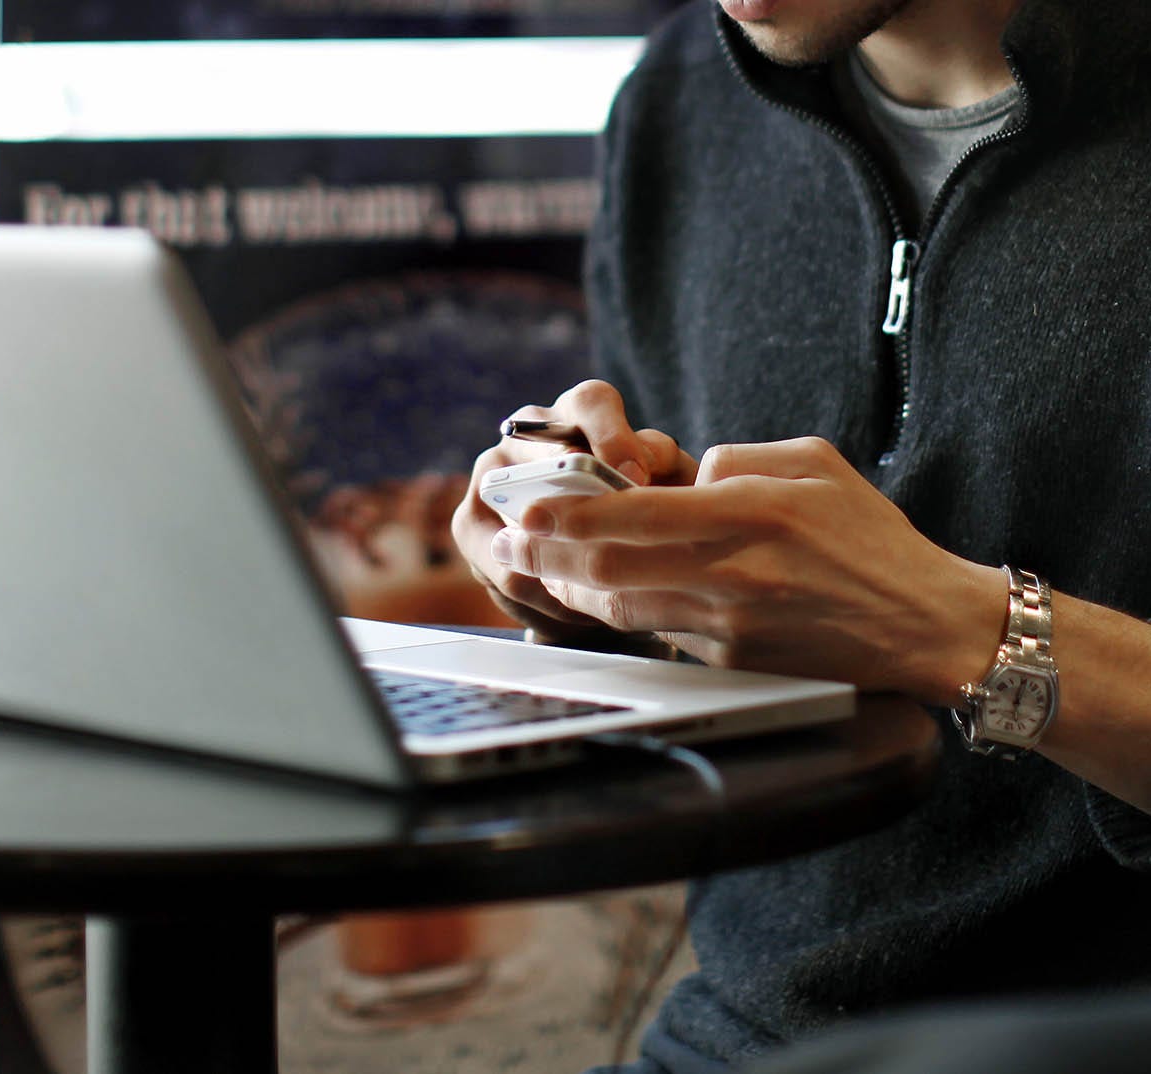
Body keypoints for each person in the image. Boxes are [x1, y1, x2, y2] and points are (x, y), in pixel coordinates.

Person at [452, 0, 1151, 1070]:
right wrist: (584, 571)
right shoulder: (687, 95)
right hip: (738, 1038)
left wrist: (968, 631)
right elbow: (709, 669)